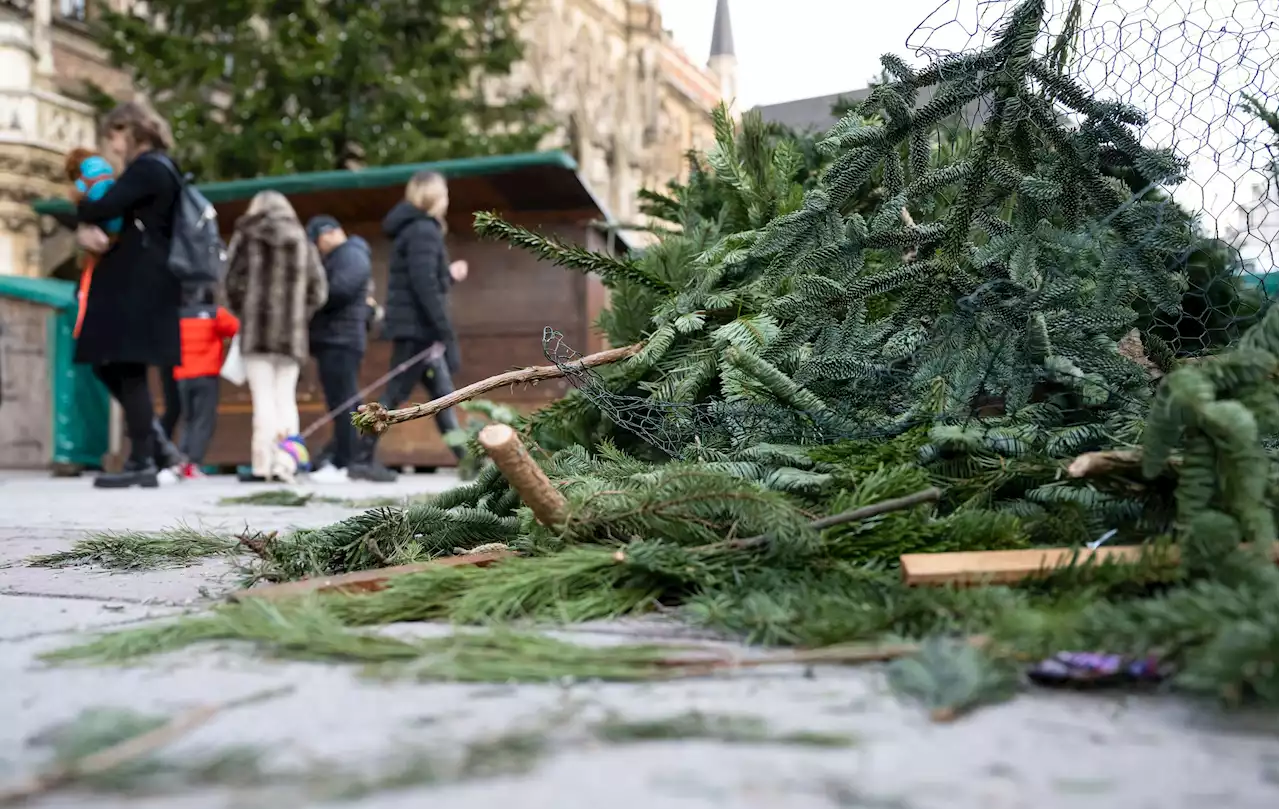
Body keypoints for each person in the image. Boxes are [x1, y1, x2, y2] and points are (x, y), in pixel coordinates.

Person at [74, 101, 185, 488]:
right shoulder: (157, 168)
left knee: (125, 365)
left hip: (138, 282)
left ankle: (142, 459)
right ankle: (152, 448)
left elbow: (103, 205)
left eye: (114, 136)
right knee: (112, 363)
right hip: (140, 281)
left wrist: (78, 205)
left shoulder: (149, 168)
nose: (112, 146)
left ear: (130, 129)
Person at [356, 171, 468, 482]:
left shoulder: (416, 230)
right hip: (417, 330)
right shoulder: (423, 230)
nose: (447, 199)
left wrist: (448, 275)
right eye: (444, 192)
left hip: (419, 329)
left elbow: (425, 279)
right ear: (432, 196)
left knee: (443, 394)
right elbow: (424, 286)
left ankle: (466, 460)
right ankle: (361, 458)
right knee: (394, 395)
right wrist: (445, 330)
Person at [224, 191, 328, 483]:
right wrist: (298, 314)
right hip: (292, 335)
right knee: (286, 399)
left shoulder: (246, 235)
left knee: (263, 399)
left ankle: (263, 464)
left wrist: (245, 311)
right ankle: (286, 463)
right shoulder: (301, 239)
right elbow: (319, 291)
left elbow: (230, 281)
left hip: (257, 332)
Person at [304, 215, 373, 483]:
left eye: (317, 241)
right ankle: (339, 457)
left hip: (342, 340)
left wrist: (314, 293)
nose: (318, 247)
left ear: (330, 233)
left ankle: (345, 463)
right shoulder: (341, 256)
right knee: (340, 402)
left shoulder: (352, 254)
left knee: (344, 402)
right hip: (333, 339)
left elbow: (340, 290)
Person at [173, 284, 239, 479]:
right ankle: (193, 462)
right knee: (203, 421)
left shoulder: (178, 315)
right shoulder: (214, 314)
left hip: (181, 375)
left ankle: (181, 460)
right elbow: (236, 329)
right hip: (206, 374)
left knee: (187, 419)